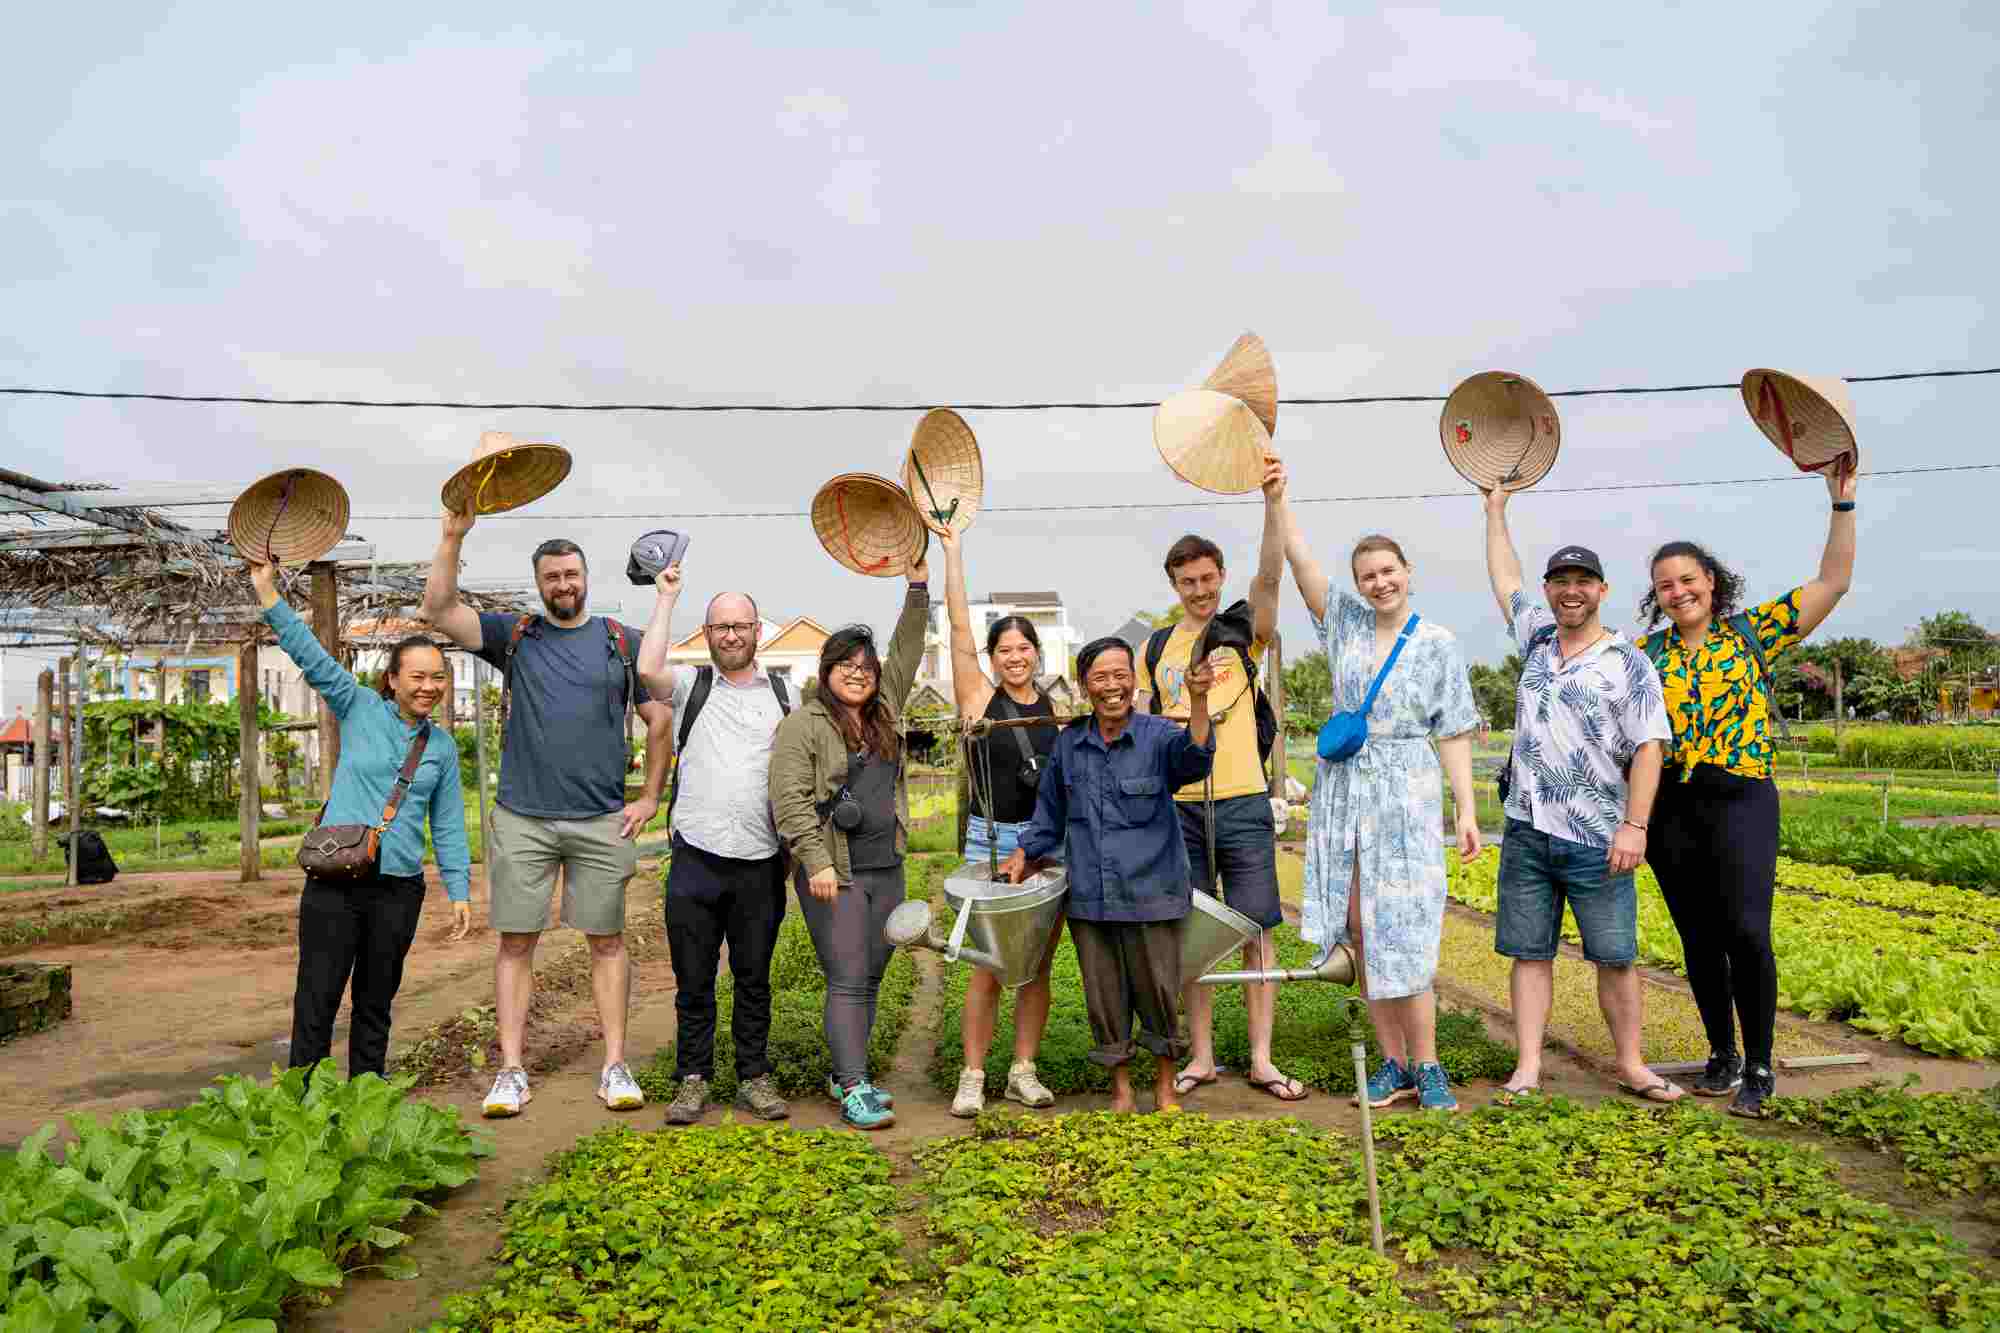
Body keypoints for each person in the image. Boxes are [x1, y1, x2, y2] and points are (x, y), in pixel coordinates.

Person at [420, 510, 672, 1119]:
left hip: (600, 820)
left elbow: (659, 716)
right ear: (540, 583)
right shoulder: (516, 636)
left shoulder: (620, 640)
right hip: (524, 819)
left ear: (586, 577)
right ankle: (511, 1070)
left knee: (607, 942)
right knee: (515, 943)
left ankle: (614, 1064)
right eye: (553, 576)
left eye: (572, 574)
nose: (564, 584)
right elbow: (437, 612)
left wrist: (650, 796)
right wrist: (453, 535)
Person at [1264, 457, 1482, 1112]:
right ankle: (1393, 1062)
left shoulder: (1439, 643)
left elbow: (1455, 730)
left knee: (1409, 924)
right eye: (1368, 576)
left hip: (1408, 789)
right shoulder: (1348, 627)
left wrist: (1466, 809)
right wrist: (1279, 500)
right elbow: (1302, 567)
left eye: (1388, 571)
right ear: (1358, 585)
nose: (1379, 582)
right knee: (1362, 924)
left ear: (1407, 573)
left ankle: (1430, 1062)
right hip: (1346, 790)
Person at [1641, 466, 1857, 1118]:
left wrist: (1841, 500)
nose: (1678, 591)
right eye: (1664, 585)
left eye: (1687, 579)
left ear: (1711, 581)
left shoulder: (1752, 632)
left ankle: (1759, 1064)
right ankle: (1721, 1053)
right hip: (1671, 807)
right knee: (1699, 938)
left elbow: (1833, 582)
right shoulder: (1646, 654)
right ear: (1656, 597)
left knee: (1746, 931)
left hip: (1741, 799)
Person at [1483, 489, 1680, 1104]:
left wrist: (1635, 826)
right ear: (1549, 591)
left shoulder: (1628, 662)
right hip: (1526, 829)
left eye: (1583, 581)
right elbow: (1504, 576)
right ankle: (1529, 1067)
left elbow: (1649, 747)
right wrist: (1495, 512)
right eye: (1560, 580)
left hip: (1599, 835)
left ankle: (1632, 1064)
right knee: (1529, 953)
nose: (1571, 591)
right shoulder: (1537, 640)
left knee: (1615, 957)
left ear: (1601, 590)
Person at [249, 558, 471, 1079]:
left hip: (398, 889)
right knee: (317, 998)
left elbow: (448, 824)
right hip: (335, 879)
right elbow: (311, 655)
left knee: (376, 1002)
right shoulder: (358, 707)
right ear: (392, 680)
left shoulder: (440, 747)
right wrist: (267, 592)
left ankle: (367, 1099)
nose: (428, 686)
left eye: (438, 677)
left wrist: (458, 889)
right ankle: (305, 1102)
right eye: (417, 676)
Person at [1000, 637, 1215, 1113]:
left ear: (1134, 683)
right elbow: (1050, 813)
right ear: (1083, 686)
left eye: (1121, 675)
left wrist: (1198, 700)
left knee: (1159, 992)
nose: (1112, 686)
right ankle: (1121, 1090)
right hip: (1092, 897)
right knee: (1104, 996)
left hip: (1152, 891)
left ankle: (1163, 1086)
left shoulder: (1159, 736)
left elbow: (1196, 759)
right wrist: (1024, 853)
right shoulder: (1070, 745)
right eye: (1100, 677)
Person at [1140, 528, 1303, 1103]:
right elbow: (1148, 726)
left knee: (1257, 927)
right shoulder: (1156, 648)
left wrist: (1270, 503)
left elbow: (1271, 577)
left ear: (1221, 577)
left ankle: (1261, 1058)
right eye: (1188, 582)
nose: (1200, 590)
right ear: (1174, 585)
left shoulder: (1241, 637)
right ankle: (1202, 1057)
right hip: (1179, 809)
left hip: (1242, 799)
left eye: (1208, 579)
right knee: (1193, 932)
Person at [768, 561, 930, 1130]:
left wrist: (917, 589)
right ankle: (854, 1086)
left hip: (886, 867)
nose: (858, 673)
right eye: (847, 665)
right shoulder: (804, 725)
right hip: (834, 871)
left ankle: (846, 1068)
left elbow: (907, 650)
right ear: (827, 670)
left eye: (866, 666)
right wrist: (814, 862)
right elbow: (788, 801)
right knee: (847, 973)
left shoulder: (884, 711)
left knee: (875, 971)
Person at [636, 563, 792, 1125]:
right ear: (707, 635)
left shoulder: (785, 693)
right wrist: (666, 598)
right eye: (721, 626)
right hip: (696, 857)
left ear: (757, 632)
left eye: (741, 625)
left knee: (754, 977)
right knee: (693, 980)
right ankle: (693, 1078)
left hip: (761, 863)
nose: (732, 635)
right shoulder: (689, 687)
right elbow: (647, 666)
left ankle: (753, 1076)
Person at [937, 525, 1062, 1117]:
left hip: (1043, 845)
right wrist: (953, 550)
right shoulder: (978, 699)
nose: (1015, 657)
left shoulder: (1056, 709)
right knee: (988, 965)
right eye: (1004, 650)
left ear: (1037, 651)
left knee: (1035, 963)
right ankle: (973, 1073)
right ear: (992, 659)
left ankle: (1023, 1070)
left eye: (1023, 648)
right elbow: (959, 630)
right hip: (991, 841)